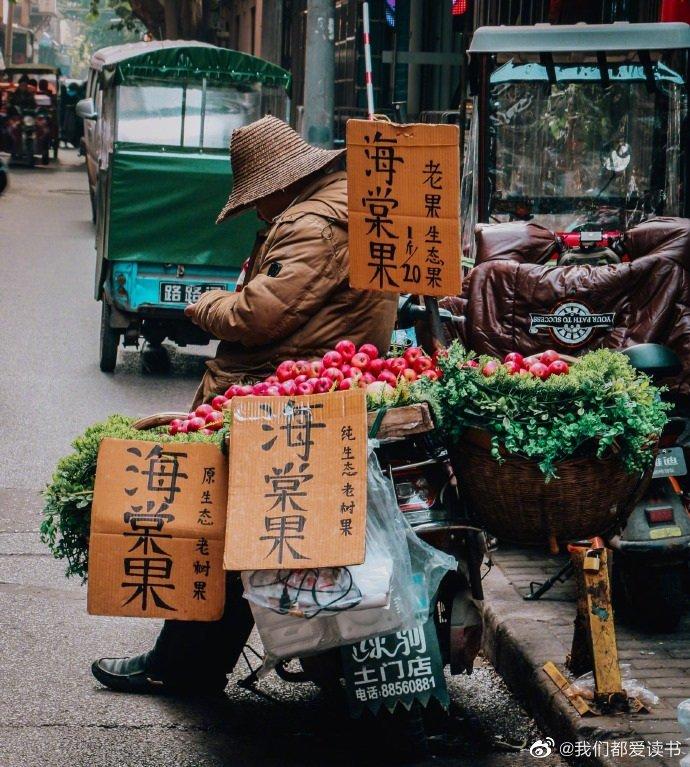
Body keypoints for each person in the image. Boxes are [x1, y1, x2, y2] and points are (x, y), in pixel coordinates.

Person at [91, 115, 398, 695]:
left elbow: (258, 314)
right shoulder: (336, 205)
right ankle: (187, 663)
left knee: (223, 531)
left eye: (258, 199)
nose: (257, 211)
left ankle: (181, 667)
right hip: (310, 383)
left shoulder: (313, 220)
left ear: (281, 182)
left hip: (282, 394)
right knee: (241, 540)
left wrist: (207, 305)